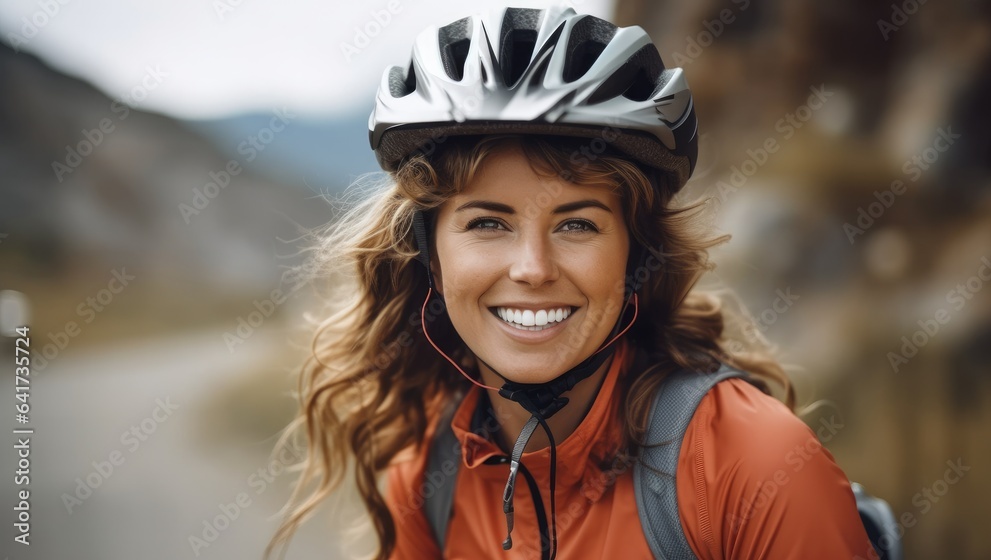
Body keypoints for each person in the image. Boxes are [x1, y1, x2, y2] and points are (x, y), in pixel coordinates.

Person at [268, 6, 875, 560]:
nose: (533, 268)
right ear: (430, 255)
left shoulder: (755, 468)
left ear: (635, 251)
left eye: (578, 223)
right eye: (487, 223)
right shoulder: (430, 472)